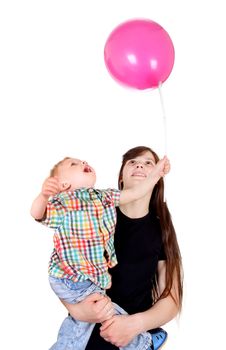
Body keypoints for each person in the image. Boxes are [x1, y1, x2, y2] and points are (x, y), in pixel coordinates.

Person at [47, 146, 183, 350]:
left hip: (132, 338)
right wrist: (79, 311)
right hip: (87, 331)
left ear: (157, 177)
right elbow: (65, 269)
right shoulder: (93, 212)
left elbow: (172, 300)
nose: (140, 165)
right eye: (132, 162)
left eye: (148, 163)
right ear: (121, 177)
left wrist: (134, 325)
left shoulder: (161, 228)